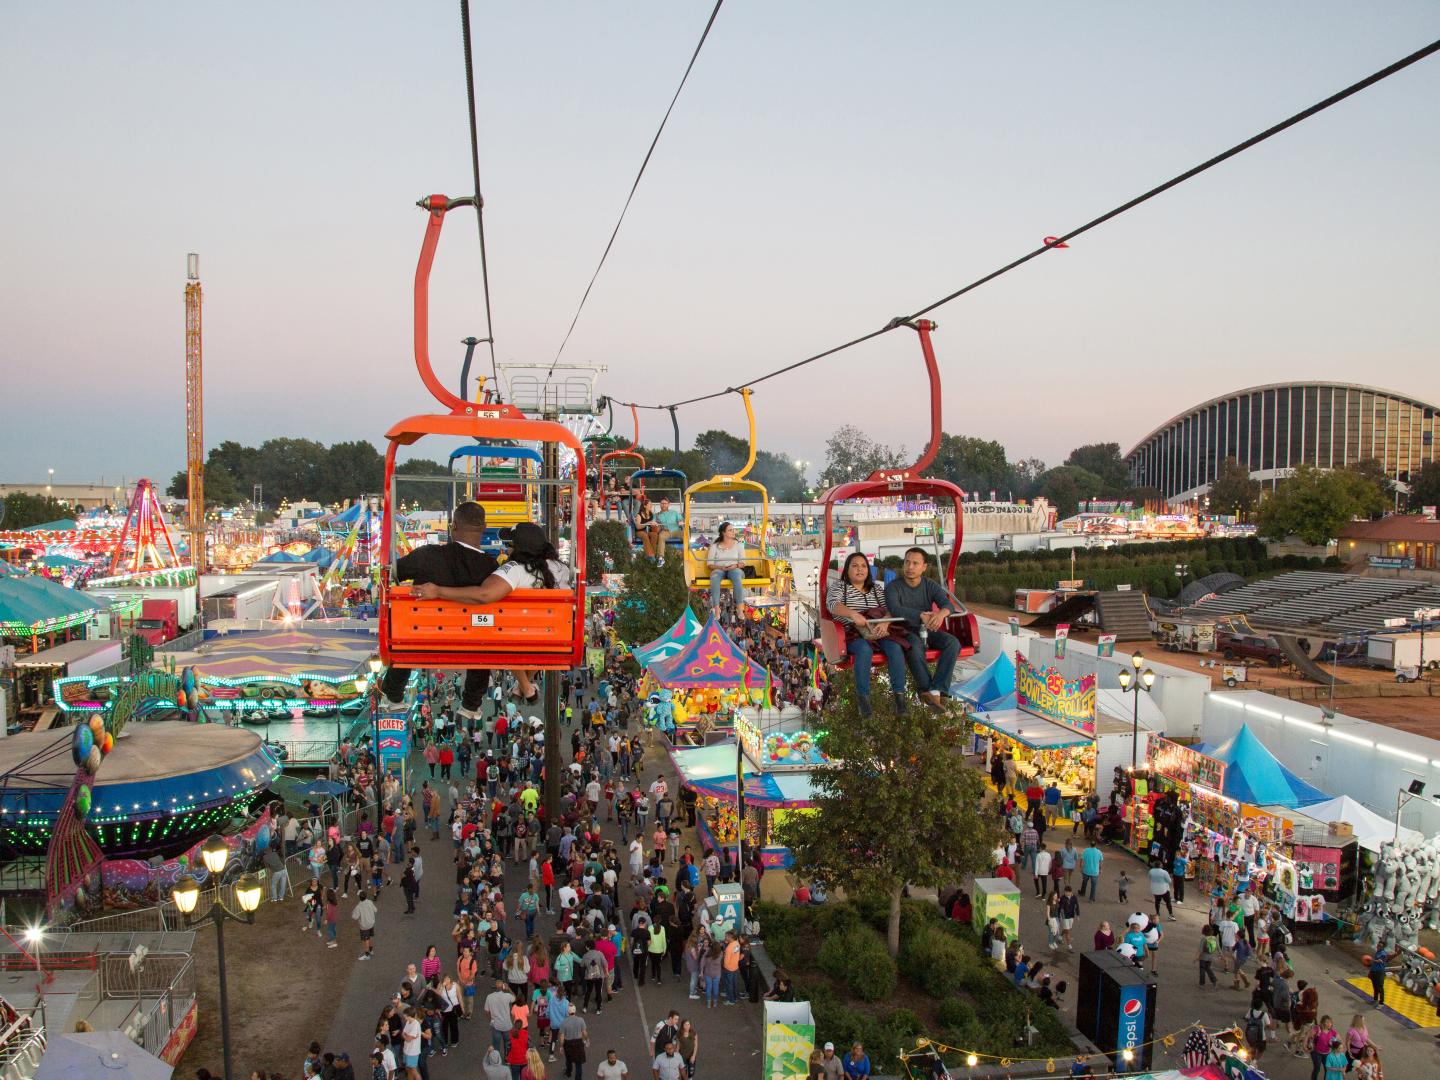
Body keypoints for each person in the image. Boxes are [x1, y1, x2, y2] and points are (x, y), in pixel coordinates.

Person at [417, 523, 573, 704]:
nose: (507, 549)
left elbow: (484, 595)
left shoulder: (516, 569)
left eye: (510, 545)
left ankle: (526, 687)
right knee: (533, 638)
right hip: (554, 636)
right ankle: (524, 686)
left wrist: (438, 591)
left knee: (503, 628)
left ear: (519, 547)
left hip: (516, 635)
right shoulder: (561, 567)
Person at [381, 501, 498, 716]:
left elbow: (393, 574)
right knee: (484, 639)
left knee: (405, 631)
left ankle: (393, 693)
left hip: (423, 635)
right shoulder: (491, 568)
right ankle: (471, 703)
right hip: (472, 639)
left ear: (454, 527)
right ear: (483, 527)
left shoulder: (427, 555)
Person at [883, 548, 961, 710]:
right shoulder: (893, 587)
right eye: (907, 562)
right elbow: (895, 609)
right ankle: (925, 689)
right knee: (915, 647)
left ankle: (938, 690)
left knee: (952, 643)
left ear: (924, 567)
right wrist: (920, 615)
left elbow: (947, 604)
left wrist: (940, 615)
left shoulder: (929, 585)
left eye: (915, 563)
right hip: (904, 631)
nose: (910, 567)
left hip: (926, 629)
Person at [706, 522, 747, 610]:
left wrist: (735, 565)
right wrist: (721, 568)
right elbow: (709, 564)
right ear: (724, 533)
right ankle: (716, 607)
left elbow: (743, 563)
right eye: (730, 530)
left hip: (734, 568)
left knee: (736, 575)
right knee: (715, 576)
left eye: (733, 530)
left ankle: (740, 607)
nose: (733, 532)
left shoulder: (738, 545)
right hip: (720, 569)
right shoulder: (715, 546)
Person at [653, 498, 683, 564]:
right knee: (661, 536)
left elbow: (681, 519)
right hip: (666, 531)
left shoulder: (674, 513)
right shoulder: (657, 515)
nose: (663, 505)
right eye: (662, 503)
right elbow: (653, 522)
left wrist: (681, 521)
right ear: (660, 505)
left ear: (668, 504)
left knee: (685, 534)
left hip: (676, 530)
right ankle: (661, 557)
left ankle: (687, 551)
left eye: (665, 503)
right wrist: (654, 523)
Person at [352, 889, 378, 961]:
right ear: (366, 896)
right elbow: (375, 910)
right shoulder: (370, 902)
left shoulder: (359, 906)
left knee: (365, 940)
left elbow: (354, 917)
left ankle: (366, 954)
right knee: (370, 937)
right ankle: (371, 950)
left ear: (359, 897)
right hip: (371, 923)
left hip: (364, 926)